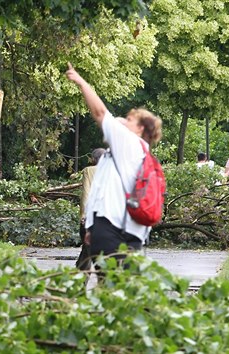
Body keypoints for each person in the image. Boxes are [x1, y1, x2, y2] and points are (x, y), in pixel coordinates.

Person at [65, 63, 163, 262]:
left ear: (140, 129)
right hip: (128, 232)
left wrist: (80, 81)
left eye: (129, 119)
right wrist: (92, 228)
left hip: (113, 230)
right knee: (118, 288)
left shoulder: (128, 142)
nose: (122, 121)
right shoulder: (129, 153)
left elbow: (100, 113)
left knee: (112, 288)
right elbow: (105, 192)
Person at [76, 148, 106, 271]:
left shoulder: (89, 171)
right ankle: (79, 280)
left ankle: (82, 282)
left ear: (93, 159)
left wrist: (84, 216)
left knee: (92, 253)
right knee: (87, 252)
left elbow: (86, 195)